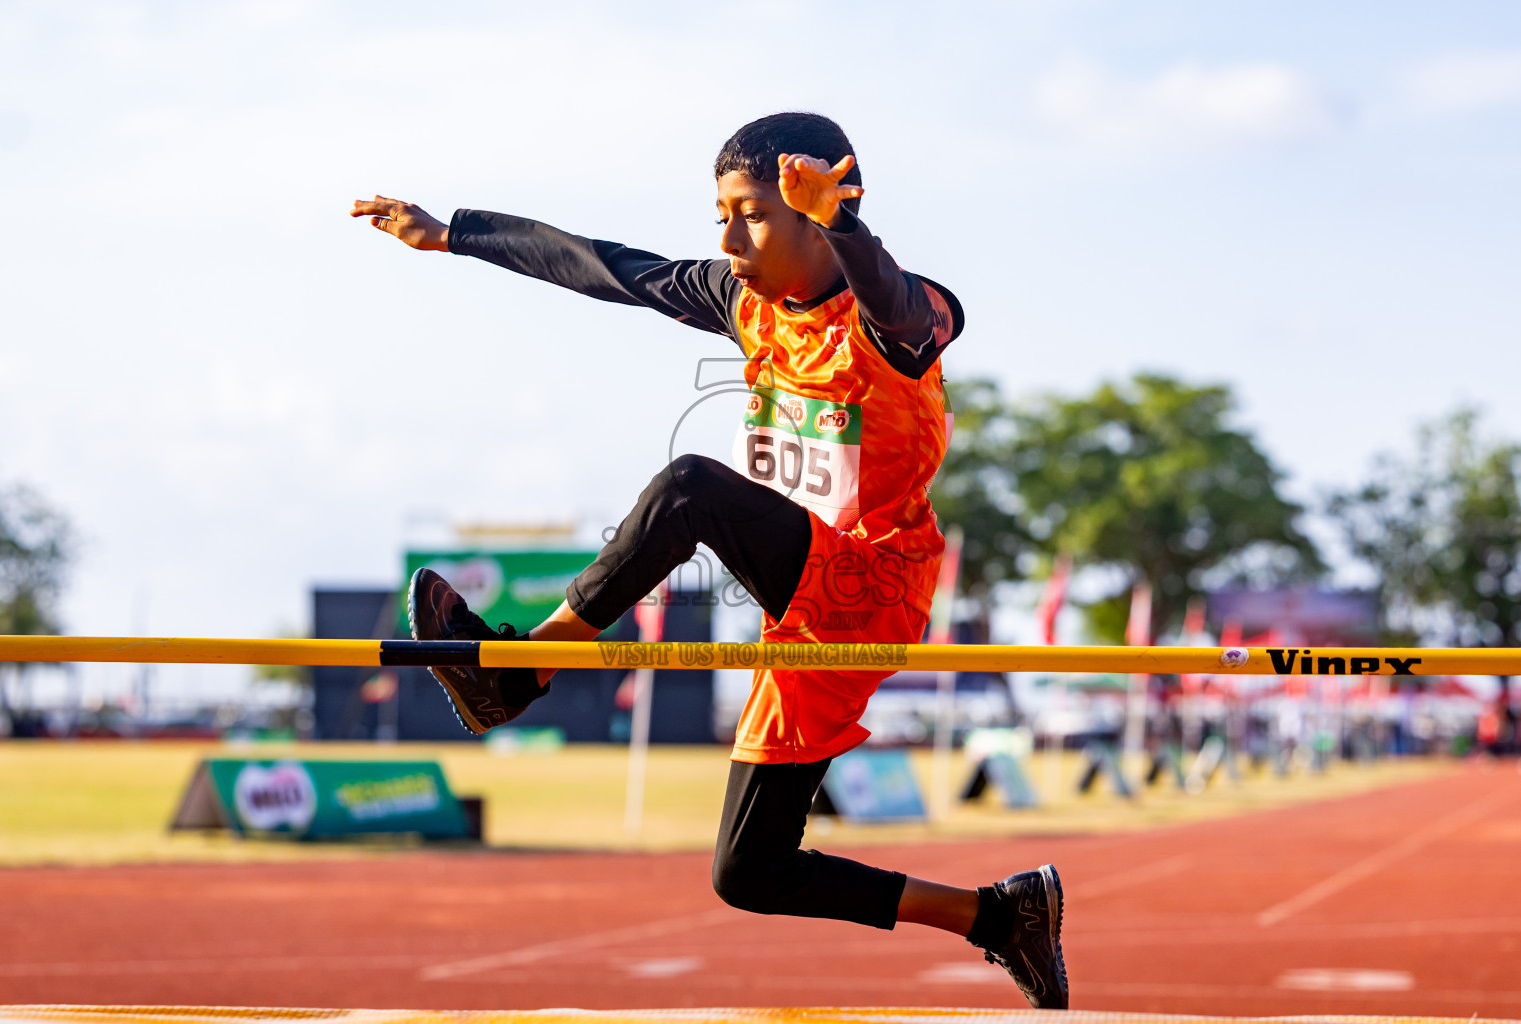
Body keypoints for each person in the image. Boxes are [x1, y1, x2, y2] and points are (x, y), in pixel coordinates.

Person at [351, 112, 1068, 1009]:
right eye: (719, 214)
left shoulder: (904, 313)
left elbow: (900, 311)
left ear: (820, 209)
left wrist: (846, 226)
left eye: (752, 215)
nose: (727, 239)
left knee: (690, 486)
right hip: (800, 598)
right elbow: (606, 267)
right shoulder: (745, 298)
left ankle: (526, 670)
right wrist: (455, 233)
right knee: (750, 870)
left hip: (870, 586)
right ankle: (1002, 917)